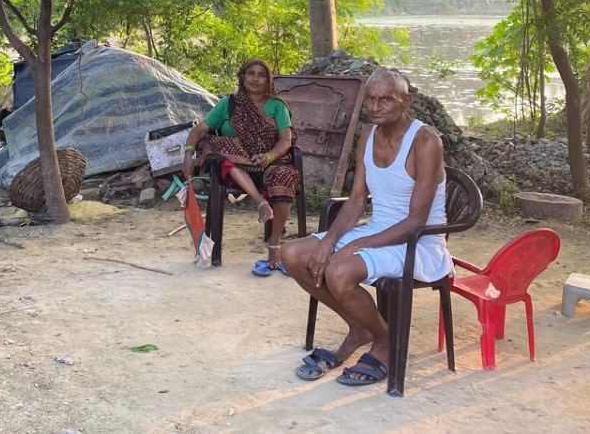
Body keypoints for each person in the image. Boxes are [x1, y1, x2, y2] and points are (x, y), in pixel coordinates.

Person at [280, 68, 451, 387]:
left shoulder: (425, 141)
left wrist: (356, 246)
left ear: (406, 101)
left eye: (386, 99)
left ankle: (385, 342)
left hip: (417, 242)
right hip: (378, 231)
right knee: (291, 255)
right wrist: (330, 239)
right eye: (370, 99)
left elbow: (416, 221)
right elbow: (357, 199)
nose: (375, 106)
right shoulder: (368, 136)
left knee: (339, 272)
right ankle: (360, 329)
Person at [180, 59, 299, 276]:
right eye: (250, 73)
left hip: (269, 164)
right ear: (242, 77)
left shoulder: (277, 106)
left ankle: (274, 243)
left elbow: (286, 140)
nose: (255, 78)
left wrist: (269, 156)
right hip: (235, 170)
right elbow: (199, 131)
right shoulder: (228, 104)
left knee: (284, 175)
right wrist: (188, 154)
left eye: (261, 74)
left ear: (268, 79)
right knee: (219, 144)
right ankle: (260, 202)